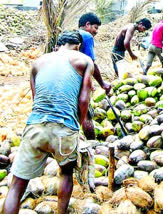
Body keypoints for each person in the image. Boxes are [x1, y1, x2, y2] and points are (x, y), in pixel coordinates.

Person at [2, 30, 94, 214]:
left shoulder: (37, 63)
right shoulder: (84, 60)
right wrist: (77, 127)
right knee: (66, 174)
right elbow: (84, 99)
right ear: (78, 46)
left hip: (35, 126)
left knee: (16, 185)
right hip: (64, 129)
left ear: (58, 45)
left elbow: (36, 100)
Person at [78, 12, 111, 140]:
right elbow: (91, 63)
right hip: (77, 83)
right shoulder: (86, 36)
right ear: (87, 25)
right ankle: (92, 145)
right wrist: (102, 83)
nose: (96, 31)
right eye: (95, 27)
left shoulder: (68, 35)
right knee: (86, 114)